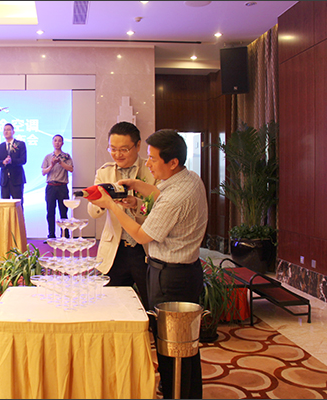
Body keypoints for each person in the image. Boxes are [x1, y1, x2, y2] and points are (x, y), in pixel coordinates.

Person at [84, 129, 208, 399]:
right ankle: (187, 392)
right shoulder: (189, 179)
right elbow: (158, 196)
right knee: (183, 343)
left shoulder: (174, 197)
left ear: (172, 162)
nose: (149, 164)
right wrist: (137, 194)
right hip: (182, 270)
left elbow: (142, 235)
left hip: (170, 275)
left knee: (170, 344)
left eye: (153, 158)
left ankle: (176, 392)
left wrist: (113, 206)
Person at [86, 121, 157, 311]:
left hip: (144, 249)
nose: (118, 155)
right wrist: (101, 201)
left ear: (138, 146)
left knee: (151, 305)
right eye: (113, 149)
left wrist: (136, 204)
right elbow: (93, 213)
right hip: (115, 249)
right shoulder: (105, 172)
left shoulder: (151, 171)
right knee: (111, 306)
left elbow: (157, 209)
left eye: (124, 149)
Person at [41, 134, 73, 240]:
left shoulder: (66, 156)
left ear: (62, 143)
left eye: (59, 141)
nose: (57, 143)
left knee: (63, 211)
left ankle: (65, 235)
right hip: (51, 187)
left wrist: (60, 162)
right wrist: (52, 165)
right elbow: (44, 172)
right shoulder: (48, 157)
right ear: (52, 142)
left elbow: (71, 169)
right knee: (50, 211)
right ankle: (51, 235)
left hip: (62, 187)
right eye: (55, 140)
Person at [0, 123, 27, 207]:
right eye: (4, 130)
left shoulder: (20, 144)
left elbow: (23, 160)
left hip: (17, 179)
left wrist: (12, 161)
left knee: (18, 204)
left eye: (8, 130)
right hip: (4, 180)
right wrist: (3, 162)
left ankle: (19, 216)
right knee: (5, 205)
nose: (6, 132)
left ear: (13, 132)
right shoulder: (0, 146)